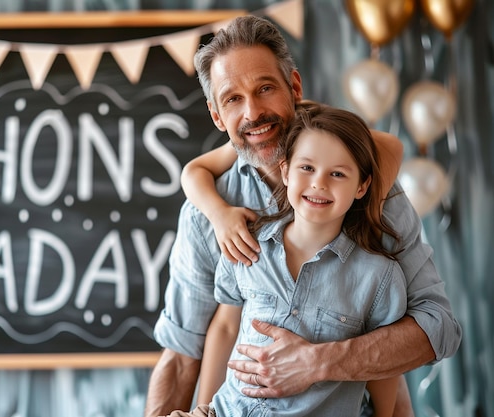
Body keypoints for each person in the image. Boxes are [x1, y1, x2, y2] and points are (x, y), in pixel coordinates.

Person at [145, 15, 461, 417]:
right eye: (233, 99)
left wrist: (317, 362)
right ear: (216, 116)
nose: (253, 112)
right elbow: (187, 349)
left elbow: (439, 328)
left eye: (265, 88)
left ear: (294, 88)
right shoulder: (211, 215)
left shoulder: (364, 193)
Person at [166, 100, 408, 417]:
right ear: (286, 171)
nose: (319, 183)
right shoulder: (247, 246)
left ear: (361, 186)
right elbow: (226, 328)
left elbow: (383, 367)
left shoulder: (379, 277)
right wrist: (205, 408)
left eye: (337, 173)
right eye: (306, 168)